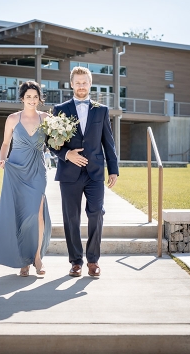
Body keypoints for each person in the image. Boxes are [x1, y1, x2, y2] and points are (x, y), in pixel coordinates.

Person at [50, 66, 119, 278]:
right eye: (77, 82)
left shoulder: (102, 110)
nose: (81, 86)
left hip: (95, 172)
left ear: (90, 84)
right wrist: (66, 154)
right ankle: (76, 261)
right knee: (71, 217)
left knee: (96, 212)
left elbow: (108, 142)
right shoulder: (59, 109)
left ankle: (93, 260)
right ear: (71, 84)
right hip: (69, 173)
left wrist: (113, 169)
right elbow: (50, 141)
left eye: (85, 82)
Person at [0, 81, 51, 277]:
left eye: (35, 96)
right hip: (16, 170)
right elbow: (5, 143)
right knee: (21, 215)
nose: (32, 100)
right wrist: (1, 158)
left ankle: (37, 257)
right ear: (22, 98)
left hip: (38, 170)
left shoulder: (47, 118)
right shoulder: (12, 119)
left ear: (40, 99)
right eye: (28, 96)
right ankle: (23, 259)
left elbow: (56, 142)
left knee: (37, 213)